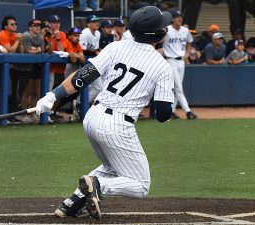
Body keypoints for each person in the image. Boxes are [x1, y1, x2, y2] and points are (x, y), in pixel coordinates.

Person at [35, 6, 174, 220]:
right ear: (158, 34)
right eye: (163, 26)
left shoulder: (115, 47)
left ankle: (72, 204)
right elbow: (164, 114)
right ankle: (98, 186)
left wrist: (52, 96)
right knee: (140, 185)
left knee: (111, 166)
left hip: (93, 116)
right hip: (117, 124)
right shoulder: (162, 66)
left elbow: (83, 76)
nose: (166, 28)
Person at [162, 8, 197, 120]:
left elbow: (190, 41)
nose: (180, 18)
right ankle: (188, 111)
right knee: (179, 87)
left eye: (180, 16)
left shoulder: (185, 30)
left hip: (181, 61)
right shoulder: (167, 29)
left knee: (177, 88)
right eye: (177, 17)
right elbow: (158, 40)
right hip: (170, 60)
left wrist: (187, 53)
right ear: (172, 19)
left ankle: (171, 112)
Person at [16, 19, 45, 123]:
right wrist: (35, 50)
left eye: (39, 26)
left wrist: (35, 50)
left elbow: (41, 51)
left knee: (36, 92)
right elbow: (27, 51)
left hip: (37, 66)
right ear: (30, 27)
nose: (37, 27)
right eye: (35, 25)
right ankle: (24, 114)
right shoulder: (26, 35)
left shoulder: (41, 37)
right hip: (25, 67)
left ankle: (33, 114)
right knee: (26, 92)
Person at [0, 15, 24, 113]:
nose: (14, 26)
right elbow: (9, 51)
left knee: (14, 91)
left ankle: (10, 113)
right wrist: (17, 40)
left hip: (10, 68)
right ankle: (0, 112)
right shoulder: (2, 34)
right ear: (6, 26)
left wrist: (20, 42)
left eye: (15, 24)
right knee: (1, 91)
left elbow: (21, 52)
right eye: (12, 24)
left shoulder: (14, 35)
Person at [48, 15, 69, 91]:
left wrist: (58, 37)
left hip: (60, 69)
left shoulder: (62, 34)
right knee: (47, 92)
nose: (57, 24)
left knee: (58, 94)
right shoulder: (46, 34)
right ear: (49, 24)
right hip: (48, 69)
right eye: (54, 22)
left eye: (58, 22)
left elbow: (61, 50)